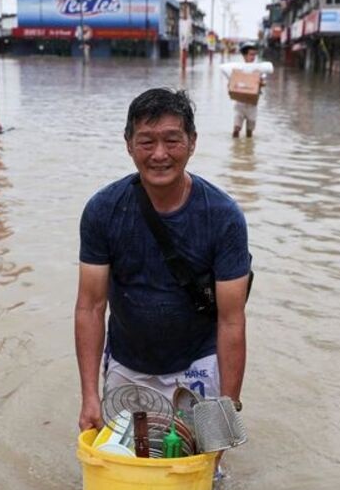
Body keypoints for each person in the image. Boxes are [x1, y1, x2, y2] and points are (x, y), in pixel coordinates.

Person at [75, 88, 252, 435]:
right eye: (146, 142)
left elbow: (232, 320)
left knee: (205, 474)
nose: (159, 154)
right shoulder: (102, 211)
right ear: (128, 144)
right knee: (125, 468)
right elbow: (90, 307)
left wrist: (227, 409)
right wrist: (89, 396)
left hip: (198, 365)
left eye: (172, 140)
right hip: (127, 365)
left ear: (192, 142)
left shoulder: (223, 217)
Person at [222, 43, 267, 138]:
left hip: (252, 105)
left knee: (249, 132)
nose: (253, 57)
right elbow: (231, 83)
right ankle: (236, 150)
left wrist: (261, 83)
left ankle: (248, 150)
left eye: (254, 55)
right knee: (236, 129)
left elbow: (264, 83)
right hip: (240, 104)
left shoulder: (258, 69)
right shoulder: (238, 69)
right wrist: (231, 85)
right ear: (245, 56)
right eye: (251, 54)